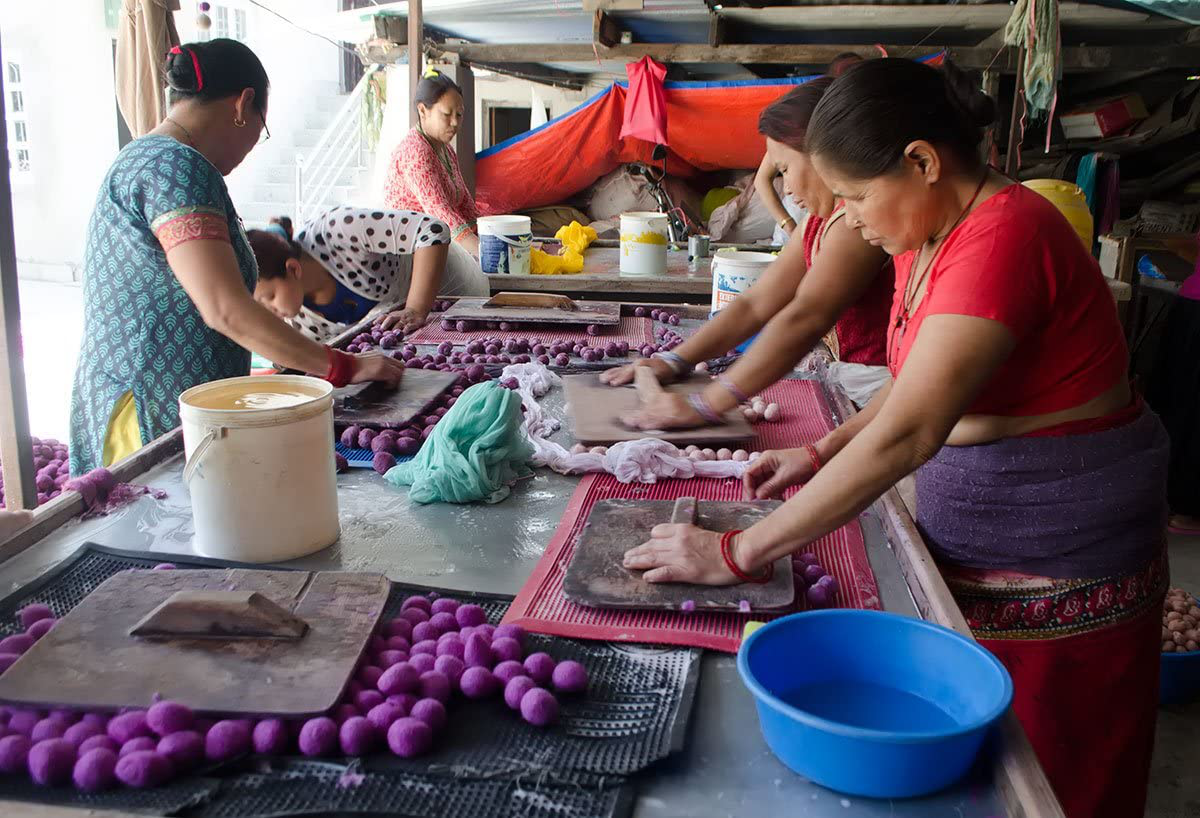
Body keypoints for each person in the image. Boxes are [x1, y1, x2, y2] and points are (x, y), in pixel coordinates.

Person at [622, 59, 1166, 818]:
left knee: (1058, 773)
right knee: (981, 759)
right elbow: (914, 391)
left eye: (854, 197)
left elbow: (911, 431)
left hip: (1061, 562)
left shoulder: (1003, 237)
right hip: (991, 548)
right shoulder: (926, 233)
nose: (847, 219)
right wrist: (815, 453)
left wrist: (736, 553)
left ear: (921, 161)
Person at [69, 40, 404, 476]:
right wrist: (344, 366)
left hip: (166, 403)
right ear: (244, 104)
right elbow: (226, 308)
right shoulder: (176, 168)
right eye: (260, 128)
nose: (252, 146)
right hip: (149, 408)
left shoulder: (151, 159)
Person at [604, 76, 895, 427]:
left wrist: (706, 404)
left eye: (785, 169)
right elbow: (755, 303)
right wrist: (675, 360)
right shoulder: (818, 222)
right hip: (857, 383)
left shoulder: (854, 227)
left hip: (880, 393)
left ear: (825, 154)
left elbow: (806, 317)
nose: (785, 189)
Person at [248, 205, 488, 343]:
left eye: (268, 298)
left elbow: (432, 231)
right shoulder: (301, 324)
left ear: (292, 268)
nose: (268, 311)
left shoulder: (337, 230)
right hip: (420, 340)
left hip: (461, 294)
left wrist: (416, 308)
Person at [383, 70, 482, 259]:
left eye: (459, 115)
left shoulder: (445, 149)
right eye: (446, 114)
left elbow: (466, 205)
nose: (455, 123)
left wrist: (493, 237)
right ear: (422, 111)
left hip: (436, 248)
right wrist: (485, 252)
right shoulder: (415, 152)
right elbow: (442, 214)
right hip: (410, 255)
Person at [1148, 242, 1200, 534]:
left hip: (1191, 305)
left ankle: (1169, 499)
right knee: (1188, 406)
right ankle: (1185, 507)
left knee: (1177, 400)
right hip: (1193, 307)